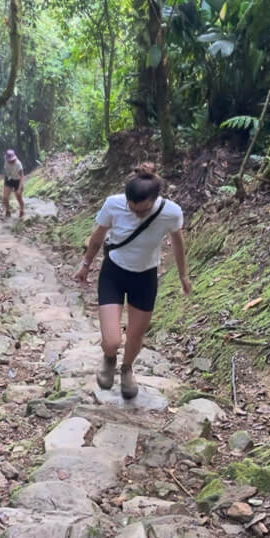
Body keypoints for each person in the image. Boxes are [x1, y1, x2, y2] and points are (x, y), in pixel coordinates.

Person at [72, 163, 192, 399]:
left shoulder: (171, 212)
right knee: (112, 340)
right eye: (132, 208)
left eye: (142, 210)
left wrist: (183, 276)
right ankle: (109, 358)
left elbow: (178, 244)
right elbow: (98, 236)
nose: (136, 214)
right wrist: (85, 264)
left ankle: (127, 369)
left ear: (155, 200)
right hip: (114, 273)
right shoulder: (113, 204)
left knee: (136, 335)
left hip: (145, 277)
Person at [3, 149, 25, 218]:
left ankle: (22, 210)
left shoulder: (18, 164)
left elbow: (22, 177)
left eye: (11, 160)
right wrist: (5, 185)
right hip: (9, 179)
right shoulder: (6, 161)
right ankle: (8, 211)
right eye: (9, 160)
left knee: (18, 197)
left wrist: (19, 189)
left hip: (17, 181)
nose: (10, 161)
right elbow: (5, 171)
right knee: (5, 197)